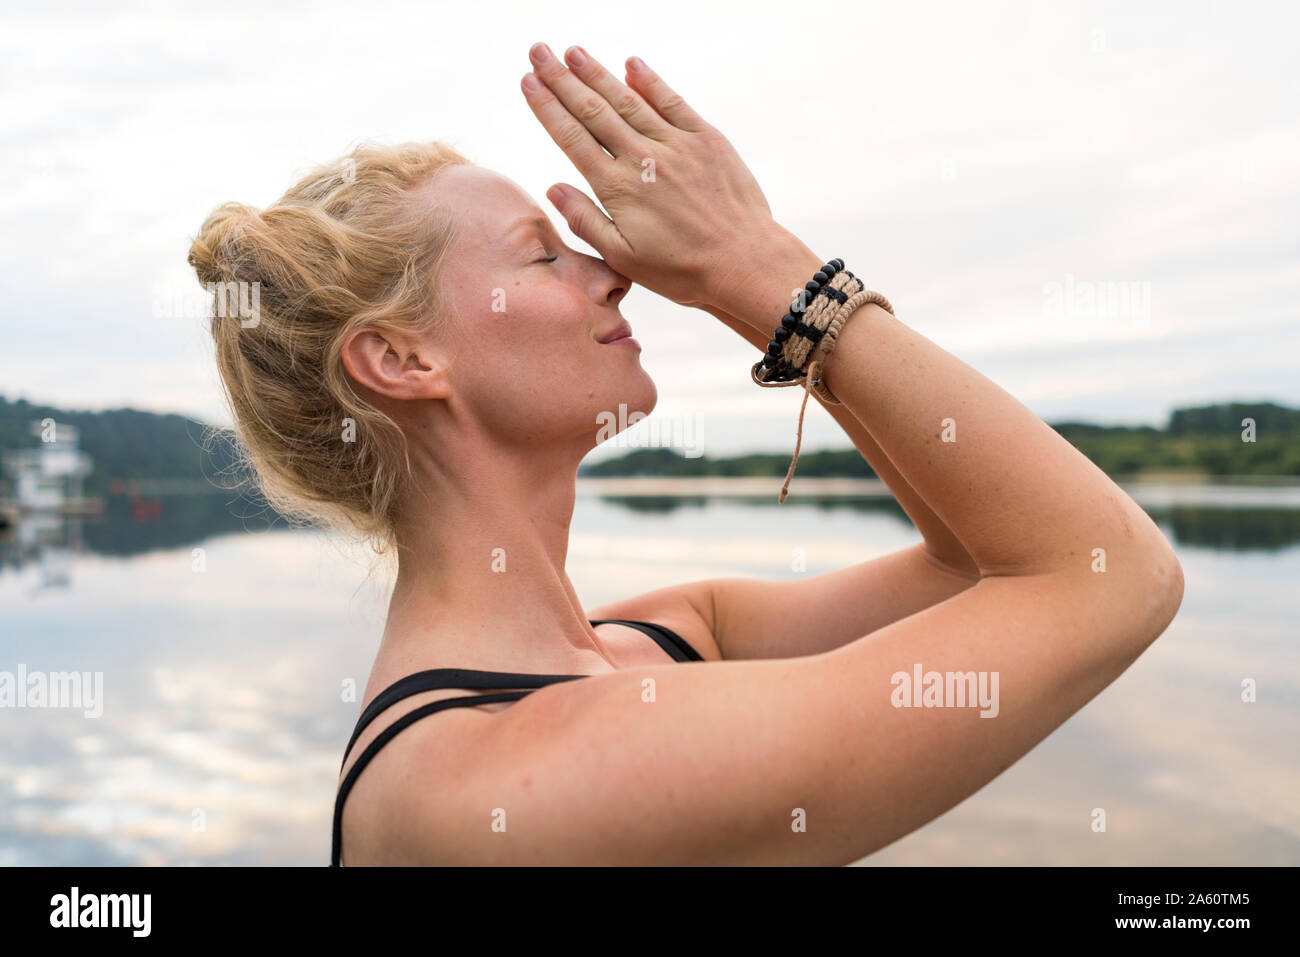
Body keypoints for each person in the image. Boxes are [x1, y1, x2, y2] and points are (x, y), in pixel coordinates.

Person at [186, 42, 1183, 866]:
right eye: (544, 253)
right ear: (401, 359)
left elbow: (979, 558)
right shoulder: (485, 783)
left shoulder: (658, 636)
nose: (615, 273)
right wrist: (769, 275)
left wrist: (776, 306)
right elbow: (1112, 575)